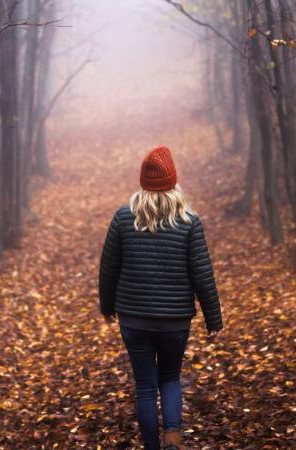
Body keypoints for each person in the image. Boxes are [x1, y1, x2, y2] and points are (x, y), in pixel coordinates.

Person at [98, 146, 223, 450]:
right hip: (175, 321)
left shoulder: (124, 217)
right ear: (173, 181)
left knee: (144, 387)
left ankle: (152, 446)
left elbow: (108, 267)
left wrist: (107, 306)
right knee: (169, 378)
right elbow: (201, 273)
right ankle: (173, 435)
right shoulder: (188, 221)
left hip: (135, 320)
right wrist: (213, 318)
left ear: (143, 181)